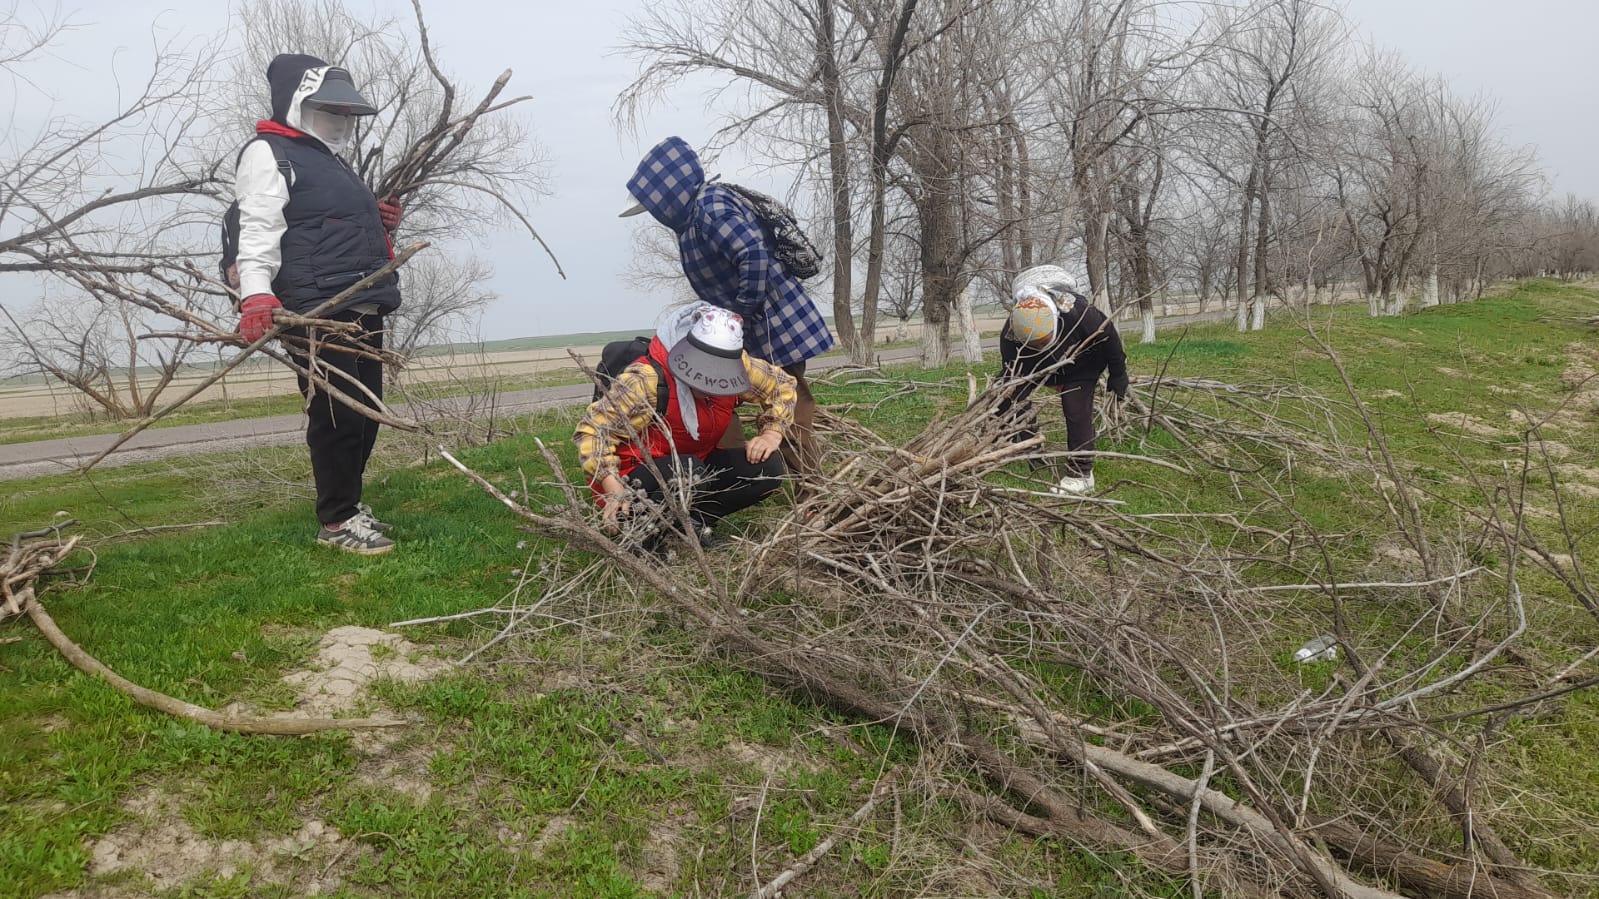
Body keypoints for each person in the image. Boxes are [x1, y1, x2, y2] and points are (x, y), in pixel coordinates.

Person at [232, 54, 405, 555]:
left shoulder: (328, 160)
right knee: (336, 413)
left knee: (366, 408)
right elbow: (258, 227)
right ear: (297, 103)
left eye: (344, 112)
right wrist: (256, 293)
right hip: (316, 307)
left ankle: (349, 504)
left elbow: (323, 224)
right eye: (328, 109)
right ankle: (336, 521)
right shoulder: (269, 152)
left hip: (361, 300)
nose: (339, 120)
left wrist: (379, 222)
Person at [619, 136, 832, 481]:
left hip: (772, 322)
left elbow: (752, 254)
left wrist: (741, 312)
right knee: (720, 395)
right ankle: (735, 478)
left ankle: (808, 485)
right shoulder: (692, 219)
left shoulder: (711, 207)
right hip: (744, 324)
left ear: (668, 196)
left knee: (791, 397)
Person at [574, 303, 797, 550]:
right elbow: (594, 431)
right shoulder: (646, 380)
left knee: (768, 467)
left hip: (692, 465)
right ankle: (642, 535)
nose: (712, 389)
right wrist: (612, 486)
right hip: (636, 475)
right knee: (689, 470)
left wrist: (772, 432)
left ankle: (693, 523)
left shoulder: (739, 366)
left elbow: (781, 385)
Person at [995, 265, 1129, 495]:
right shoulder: (1011, 331)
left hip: (1082, 361)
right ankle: (1031, 450)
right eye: (1033, 344)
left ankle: (1081, 474)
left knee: (1075, 408)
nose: (1039, 345)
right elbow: (1011, 368)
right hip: (1035, 365)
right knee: (1008, 394)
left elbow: (1110, 340)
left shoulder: (1078, 312)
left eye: (1042, 341)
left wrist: (1118, 373)